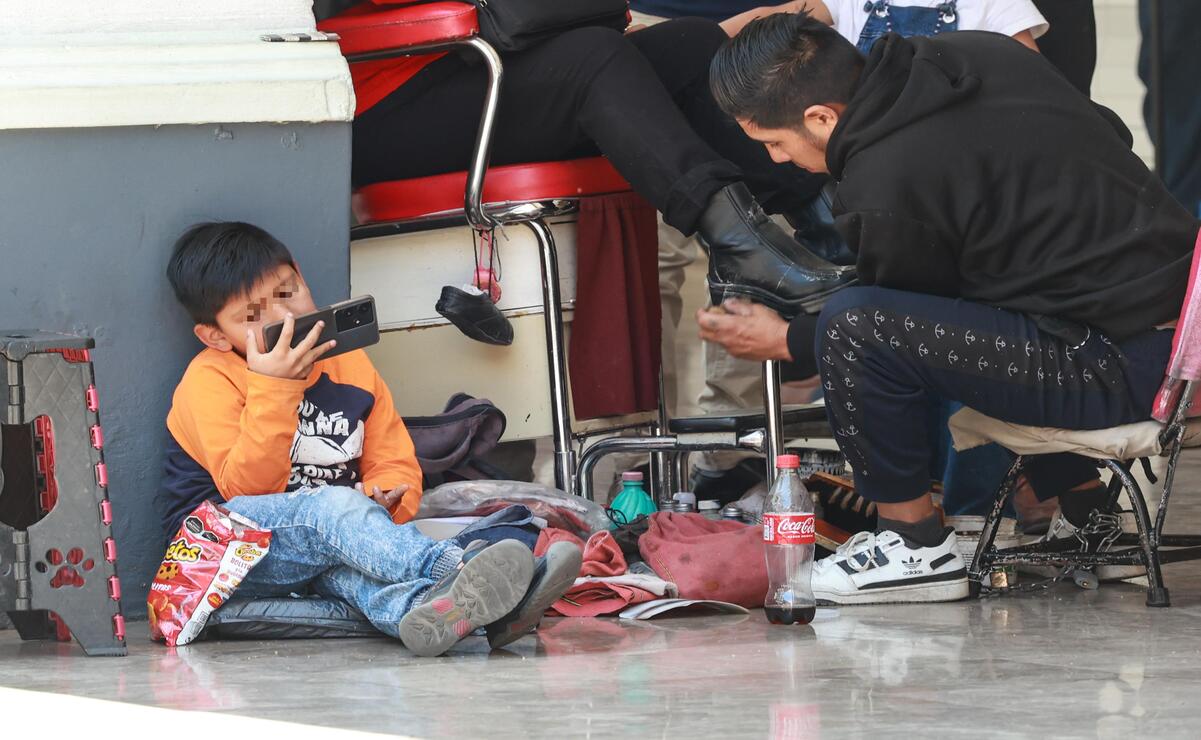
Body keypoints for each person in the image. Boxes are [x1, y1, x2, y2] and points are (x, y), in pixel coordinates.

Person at [699, 13, 1199, 604]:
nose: (779, 160)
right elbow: (1107, 130)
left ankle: (913, 543)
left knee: (854, 327)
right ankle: (1092, 520)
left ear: (821, 118)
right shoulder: (978, 54)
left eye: (774, 143)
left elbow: (901, 318)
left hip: (1132, 368)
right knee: (1011, 290)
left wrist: (789, 340)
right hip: (1177, 320)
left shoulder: (882, 180)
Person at [158, 222, 582, 654]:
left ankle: (458, 615)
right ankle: (456, 565)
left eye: (288, 293)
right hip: (221, 554)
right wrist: (276, 388)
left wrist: (386, 496)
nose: (285, 317)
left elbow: (394, 460)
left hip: (318, 547)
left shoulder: (351, 366)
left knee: (354, 573)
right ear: (215, 335)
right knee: (333, 505)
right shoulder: (209, 379)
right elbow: (249, 489)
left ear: (302, 276)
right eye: (253, 316)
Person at [339, 6, 853, 319]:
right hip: (386, 91)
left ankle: (836, 241)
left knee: (694, 45)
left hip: (482, 55)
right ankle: (746, 253)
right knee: (594, 60)